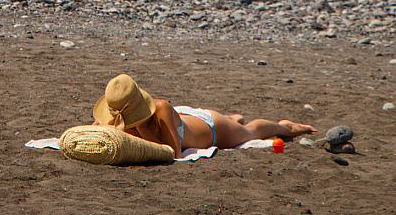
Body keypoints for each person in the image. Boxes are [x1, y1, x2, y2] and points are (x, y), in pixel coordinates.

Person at [92, 74, 316, 158]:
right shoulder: (118, 109)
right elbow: (87, 133)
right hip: (185, 120)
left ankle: (284, 127)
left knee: (249, 132)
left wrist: (141, 128)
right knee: (235, 123)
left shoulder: (161, 108)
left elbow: (173, 153)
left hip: (211, 128)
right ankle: (233, 118)